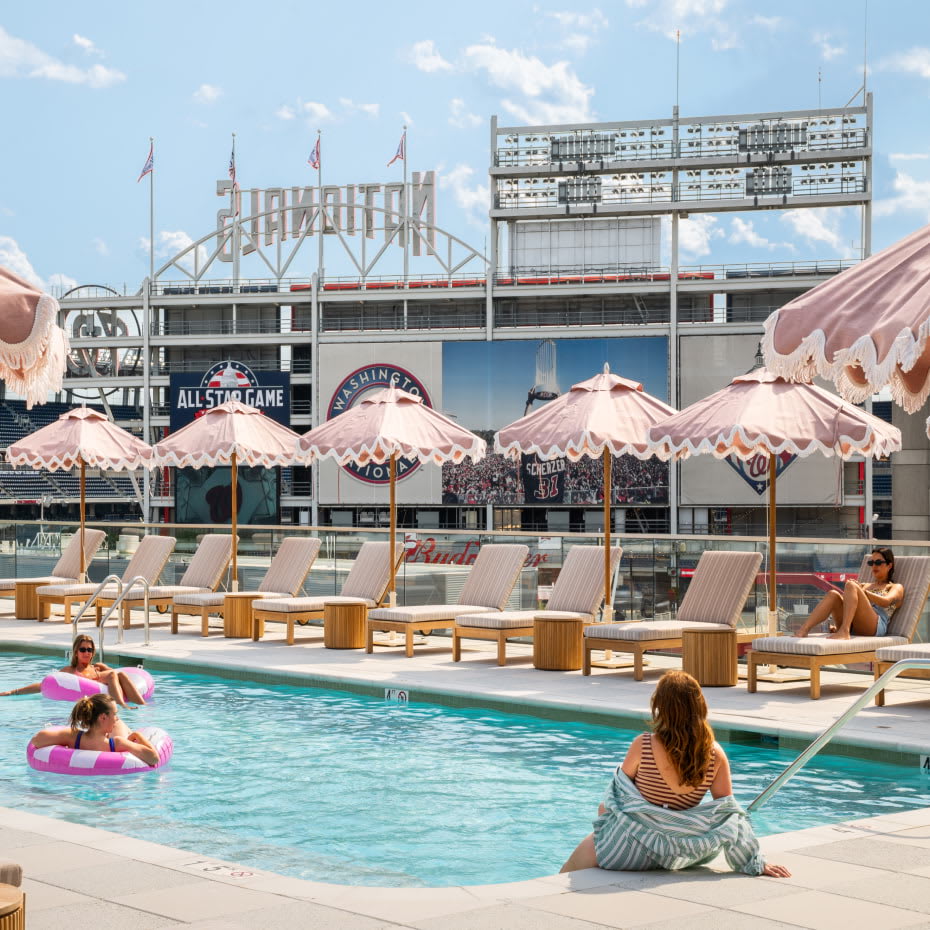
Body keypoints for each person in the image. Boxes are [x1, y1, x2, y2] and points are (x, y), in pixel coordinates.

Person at [561, 670, 790, 878]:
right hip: (678, 854)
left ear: (660, 706)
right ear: (700, 706)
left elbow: (616, 797)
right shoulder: (715, 755)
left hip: (626, 851)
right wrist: (754, 861)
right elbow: (729, 813)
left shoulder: (644, 745)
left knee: (569, 869)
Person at [0, 634, 148, 707]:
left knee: (118, 673)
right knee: (113, 674)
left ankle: (143, 706)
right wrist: (14, 692)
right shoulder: (69, 671)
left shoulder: (98, 667)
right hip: (92, 703)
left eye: (90, 649)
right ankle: (122, 707)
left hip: (105, 696)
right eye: (83, 649)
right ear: (76, 652)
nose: (87, 653)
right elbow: (43, 685)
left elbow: (120, 678)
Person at [796, 547, 904, 640]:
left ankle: (844, 630)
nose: (874, 566)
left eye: (878, 562)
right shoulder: (864, 585)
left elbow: (886, 602)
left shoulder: (895, 587)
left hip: (875, 626)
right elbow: (848, 604)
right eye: (871, 563)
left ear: (889, 565)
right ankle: (804, 630)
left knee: (851, 585)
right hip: (854, 625)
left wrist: (863, 592)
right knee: (833, 594)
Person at [30, 692, 158, 766]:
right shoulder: (118, 743)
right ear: (103, 717)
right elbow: (154, 759)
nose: (116, 718)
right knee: (120, 725)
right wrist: (138, 736)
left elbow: (36, 740)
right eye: (115, 714)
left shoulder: (72, 737)